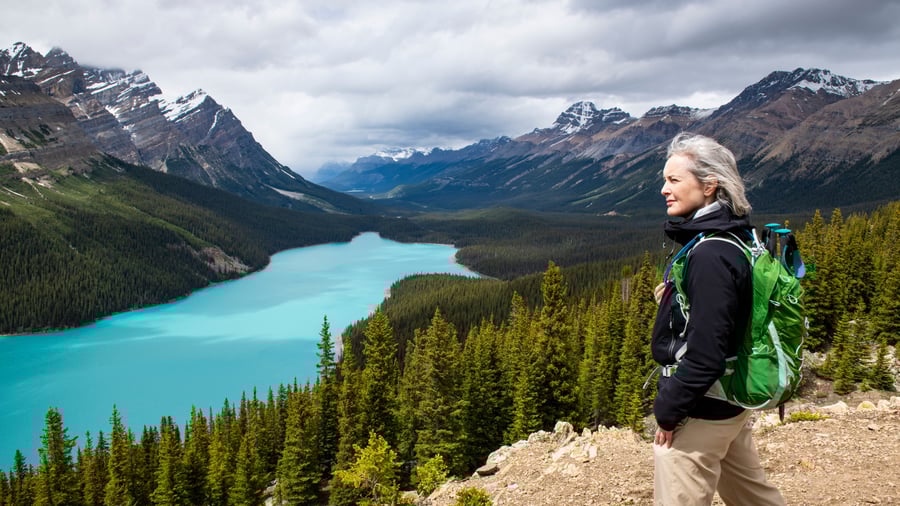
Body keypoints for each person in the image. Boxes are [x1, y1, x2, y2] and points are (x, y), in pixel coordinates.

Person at [651, 132, 785, 505]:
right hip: (729, 402)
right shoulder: (739, 237)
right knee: (752, 496)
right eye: (665, 179)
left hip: (702, 410)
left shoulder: (711, 254)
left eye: (674, 180)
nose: (664, 189)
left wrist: (670, 408)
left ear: (709, 186)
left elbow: (706, 350)